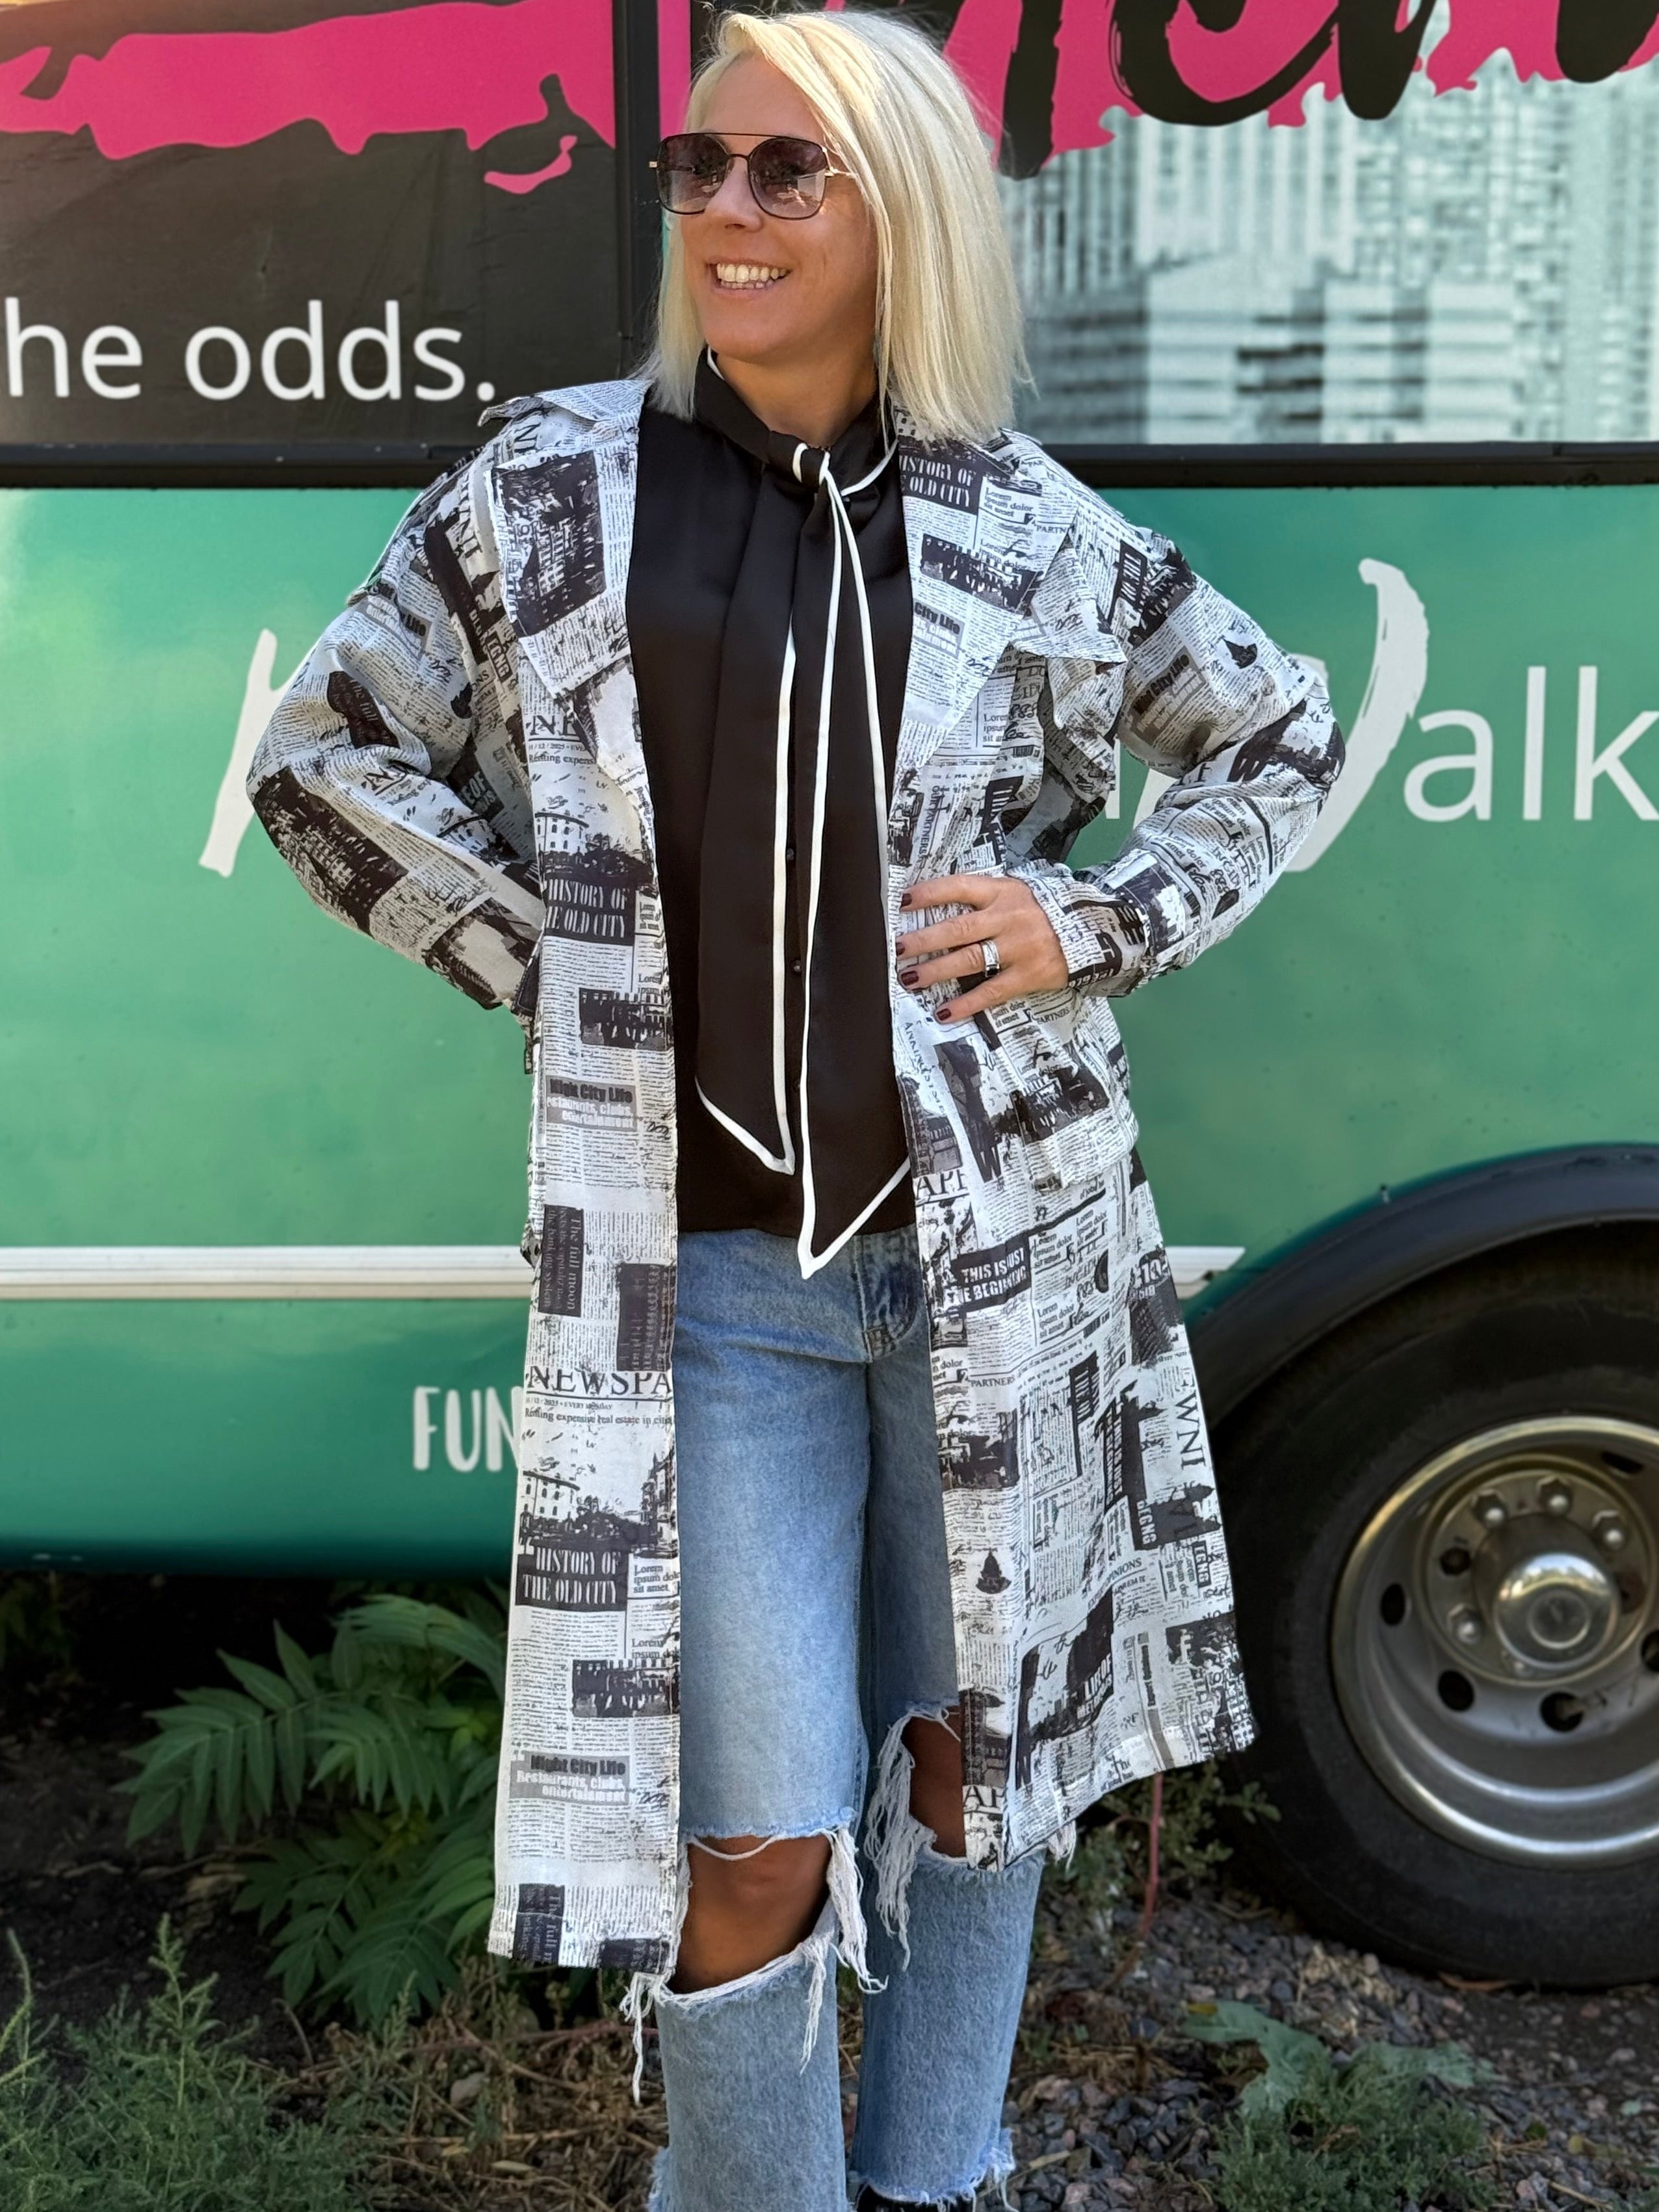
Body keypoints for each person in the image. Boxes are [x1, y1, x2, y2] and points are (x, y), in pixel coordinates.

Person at [244, 8, 1346, 2206]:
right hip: (715, 1292)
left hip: (996, 1274)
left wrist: (1084, 919)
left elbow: (1283, 741)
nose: (723, 213)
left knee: (970, 1777)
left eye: (784, 171)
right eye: (700, 168)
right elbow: (322, 755)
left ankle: (934, 2175)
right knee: (740, 1846)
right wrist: (554, 952)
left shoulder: (1024, 523)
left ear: (898, 210)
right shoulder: (550, 486)